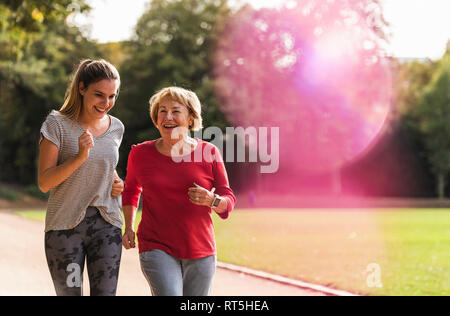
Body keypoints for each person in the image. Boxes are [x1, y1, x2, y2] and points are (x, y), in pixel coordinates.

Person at [121, 87, 236, 296]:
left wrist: (212, 200)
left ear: (191, 118)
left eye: (175, 111)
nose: (168, 117)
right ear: (156, 119)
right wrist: (128, 226)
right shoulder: (140, 153)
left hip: (200, 248)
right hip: (156, 245)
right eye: (162, 111)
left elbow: (228, 198)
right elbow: (131, 191)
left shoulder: (209, 153)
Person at [38, 59, 125, 296]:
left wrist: (117, 183)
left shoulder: (116, 127)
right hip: (65, 227)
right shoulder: (57, 124)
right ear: (82, 88)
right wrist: (79, 157)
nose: (106, 103)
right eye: (99, 95)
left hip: (107, 224)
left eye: (112, 96)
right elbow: (45, 182)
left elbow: (106, 166)